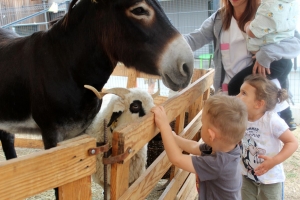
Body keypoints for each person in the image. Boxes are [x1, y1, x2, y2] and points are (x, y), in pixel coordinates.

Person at [183, 0, 300, 130]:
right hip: (229, 96)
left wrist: (267, 53)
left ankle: (286, 115)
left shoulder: (267, 13)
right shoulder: (219, 18)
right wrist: (168, 42)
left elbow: (295, 43)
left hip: (259, 99)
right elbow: (194, 39)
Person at [151, 95, 248, 200]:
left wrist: (164, 126)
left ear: (211, 135)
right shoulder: (226, 147)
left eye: (202, 123)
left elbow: (177, 159)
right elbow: (194, 147)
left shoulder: (219, 164)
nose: (202, 126)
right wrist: (172, 136)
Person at [237, 75, 298, 200]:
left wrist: (274, 161)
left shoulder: (272, 121)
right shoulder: (241, 118)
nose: (237, 96)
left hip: (271, 181)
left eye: (243, 93)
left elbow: (292, 142)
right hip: (247, 177)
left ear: (259, 103)